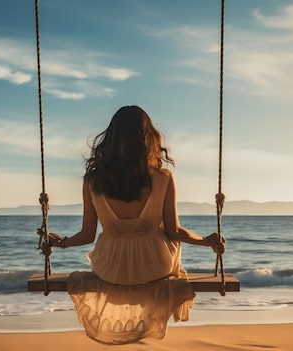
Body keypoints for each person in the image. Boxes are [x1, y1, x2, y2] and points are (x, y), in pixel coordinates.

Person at [46, 105, 225, 345]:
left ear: (110, 139)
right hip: (155, 267)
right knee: (166, 241)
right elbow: (174, 231)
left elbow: (88, 235)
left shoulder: (93, 180)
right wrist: (206, 241)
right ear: (148, 138)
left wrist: (61, 243)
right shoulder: (163, 178)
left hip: (111, 269)